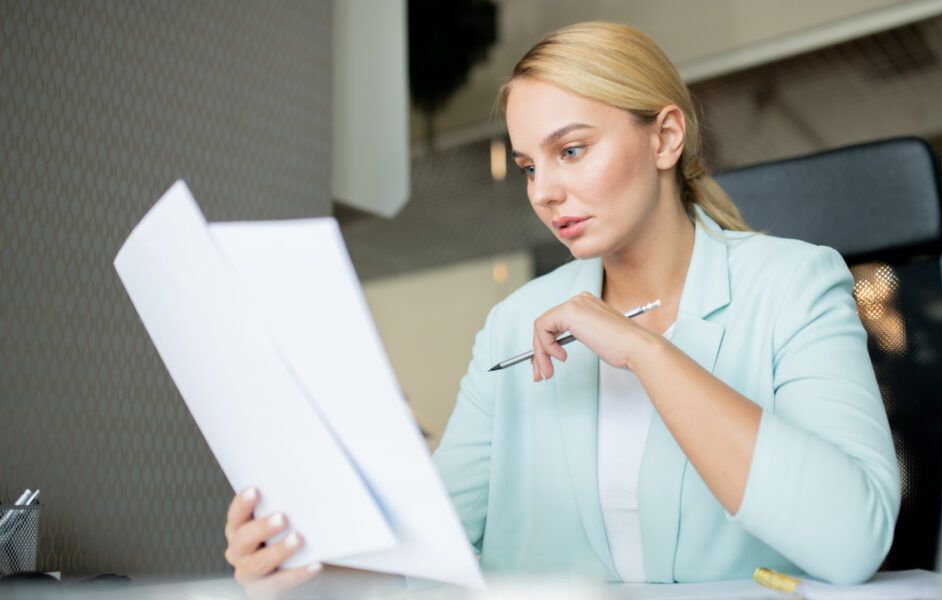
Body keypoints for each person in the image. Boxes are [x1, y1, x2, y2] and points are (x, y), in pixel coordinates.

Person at [223, 21, 901, 598]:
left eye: (570, 151)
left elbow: (852, 541)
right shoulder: (513, 323)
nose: (543, 191)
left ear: (665, 138)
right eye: (528, 166)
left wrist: (645, 351)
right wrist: (308, 563)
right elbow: (436, 555)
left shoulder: (792, 284)